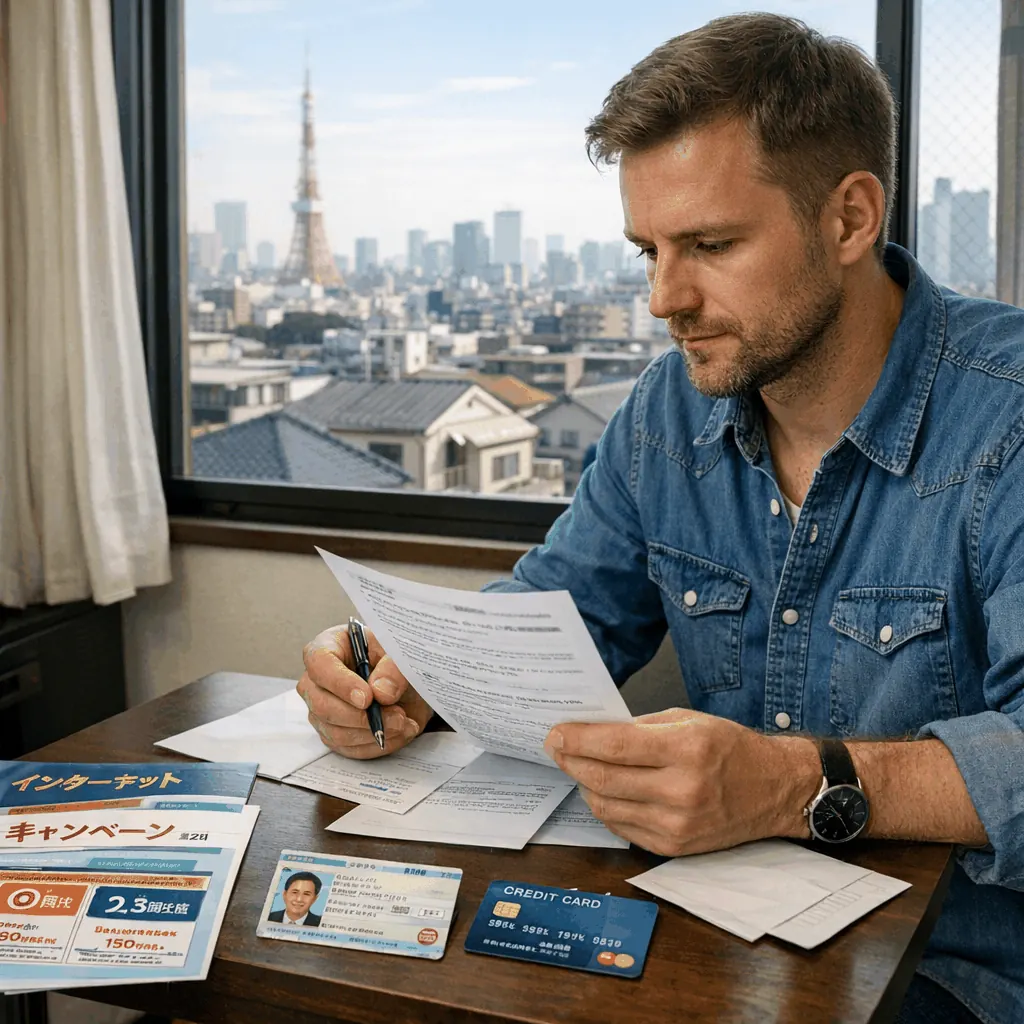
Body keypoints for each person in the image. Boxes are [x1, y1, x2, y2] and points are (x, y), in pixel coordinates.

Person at [297, 14, 1024, 1024]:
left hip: (960, 970)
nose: (661, 298)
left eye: (711, 245)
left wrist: (783, 784)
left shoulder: (1010, 418)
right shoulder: (664, 412)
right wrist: (407, 668)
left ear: (851, 218)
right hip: (714, 938)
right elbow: (556, 611)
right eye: (647, 249)